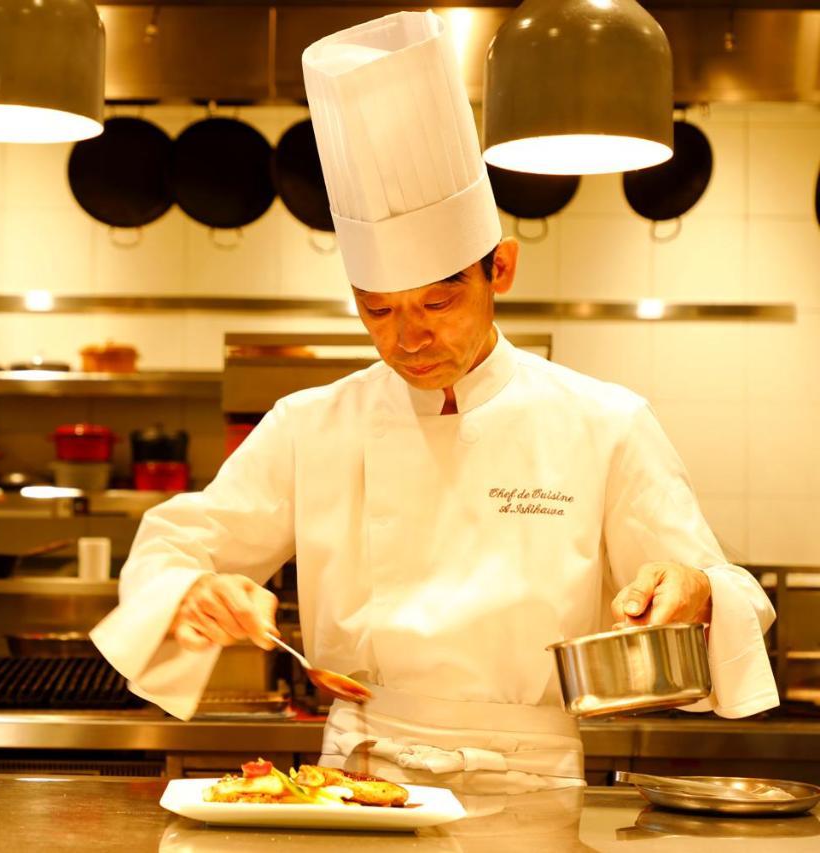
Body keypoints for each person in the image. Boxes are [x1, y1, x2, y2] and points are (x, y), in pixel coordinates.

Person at [91, 11, 777, 794]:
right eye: (377, 309)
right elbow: (176, 547)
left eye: (438, 302)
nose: (407, 337)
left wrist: (696, 593)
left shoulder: (605, 423)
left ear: (500, 270)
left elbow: (722, 589)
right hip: (359, 779)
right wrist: (197, 590)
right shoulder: (311, 425)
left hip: (532, 782)